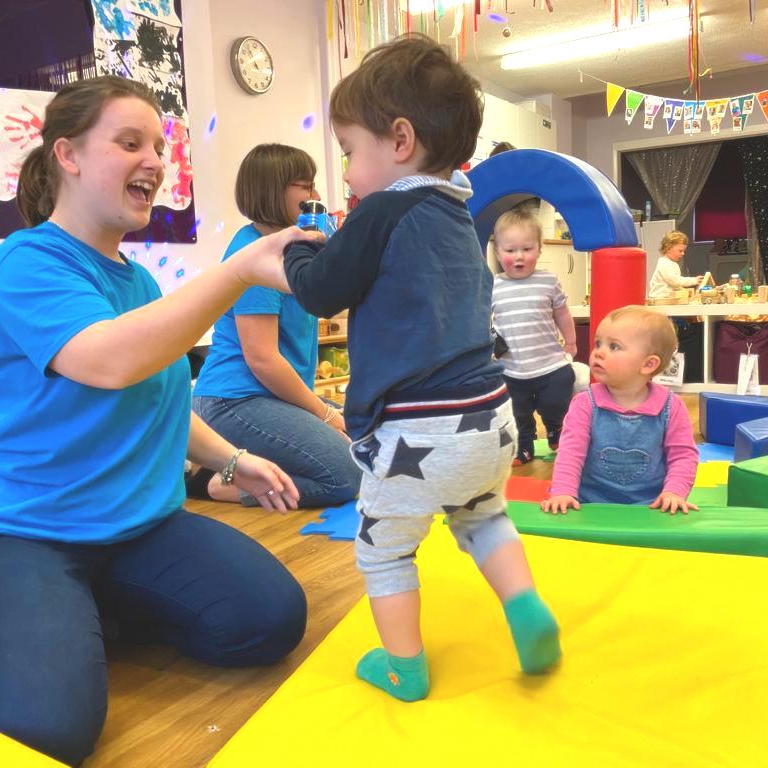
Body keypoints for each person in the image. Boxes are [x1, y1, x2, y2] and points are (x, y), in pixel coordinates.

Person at [0, 76, 316, 766]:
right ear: (68, 154)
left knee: (268, 620)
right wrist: (239, 271)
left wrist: (233, 459)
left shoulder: (138, 282)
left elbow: (154, 399)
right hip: (18, 531)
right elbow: (109, 363)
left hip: (134, 530)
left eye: (159, 146)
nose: (155, 162)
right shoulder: (25, 261)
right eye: (130, 143)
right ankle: (47, 614)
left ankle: (81, 612)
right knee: (40, 732)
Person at [281, 35, 561, 702]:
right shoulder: (458, 212)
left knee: (385, 547)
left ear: (400, 140)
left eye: (350, 151)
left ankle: (403, 666)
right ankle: (525, 606)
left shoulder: (382, 209)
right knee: (484, 516)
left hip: (418, 431)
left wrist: (295, 250)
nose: (347, 171)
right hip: (490, 420)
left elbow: (319, 289)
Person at [190, 144, 360, 508]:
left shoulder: (291, 247)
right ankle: (215, 483)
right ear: (272, 189)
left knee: (365, 440)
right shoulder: (256, 252)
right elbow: (263, 360)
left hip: (270, 398)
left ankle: (246, 468)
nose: (316, 196)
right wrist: (325, 413)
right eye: (305, 186)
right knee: (346, 475)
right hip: (234, 400)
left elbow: (332, 305)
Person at [541, 306, 699, 516]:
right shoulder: (585, 403)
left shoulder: (670, 407)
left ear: (648, 364)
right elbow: (570, 452)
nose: (598, 352)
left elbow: (683, 456)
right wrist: (563, 492)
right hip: (588, 504)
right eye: (598, 343)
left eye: (614, 346)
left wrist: (674, 492)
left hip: (652, 506)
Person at [490, 208, 577, 466]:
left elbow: (562, 313)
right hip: (511, 369)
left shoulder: (548, 281)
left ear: (539, 250)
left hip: (550, 364)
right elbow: (482, 320)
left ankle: (554, 427)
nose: (519, 256)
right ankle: (523, 447)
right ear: (498, 253)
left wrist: (571, 341)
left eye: (527, 249)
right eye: (510, 250)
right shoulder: (493, 285)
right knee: (517, 414)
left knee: (556, 401)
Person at [648, 230, 701, 298]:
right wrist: (694, 280)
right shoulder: (664, 264)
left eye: (683, 251)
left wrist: (685, 291)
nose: (683, 253)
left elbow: (676, 286)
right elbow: (675, 281)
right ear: (668, 248)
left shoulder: (673, 264)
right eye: (680, 251)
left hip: (668, 298)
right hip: (659, 299)